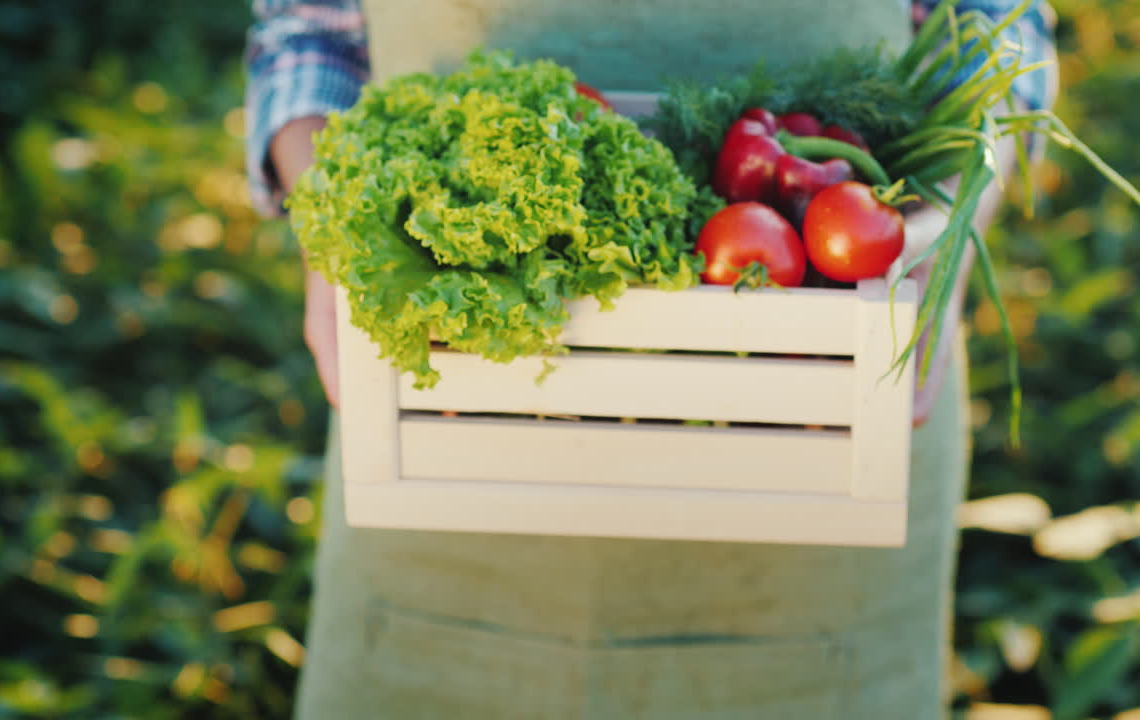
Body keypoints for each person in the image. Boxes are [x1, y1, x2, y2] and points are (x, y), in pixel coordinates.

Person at [245, 2, 1057, 717]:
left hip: (821, 453)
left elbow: (995, 17)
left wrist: (940, 234)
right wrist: (337, 231)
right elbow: (307, 31)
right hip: (446, 444)